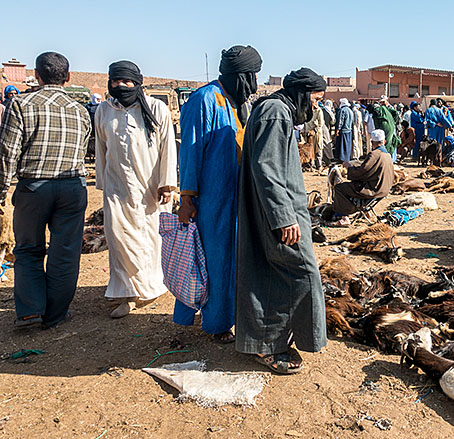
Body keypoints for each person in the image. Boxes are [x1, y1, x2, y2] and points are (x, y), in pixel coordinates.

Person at [236, 67, 327, 374]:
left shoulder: (278, 110)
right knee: (302, 273)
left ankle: (267, 342)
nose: (317, 106)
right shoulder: (275, 113)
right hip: (276, 214)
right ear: (303, 94)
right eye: (316, 98)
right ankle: (268, 347)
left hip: (280, 210)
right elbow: (268, 169)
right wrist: (284, 217)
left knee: (271, 275)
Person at [177, 45, 262, 343]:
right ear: (240, 75)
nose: (253, 84)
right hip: (211, 200)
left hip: (236, 198)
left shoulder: (239, 104)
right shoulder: (204, 100)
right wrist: (186, 198)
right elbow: (189, 151)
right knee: (213, 262)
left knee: (234, 259)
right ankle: (215, 323)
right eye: (251, 76)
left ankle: (231, 314)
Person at [0, 52, 90, 329]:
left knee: (28, 249)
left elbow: (7, 152)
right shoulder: (81, 111)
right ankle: (56, 314)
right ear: (68, 77)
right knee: (65, 251)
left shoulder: (20, 105)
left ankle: (30, 312)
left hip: (34, 188)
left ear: (37, 75)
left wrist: (1, 191)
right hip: (73, 188)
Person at [94, 61, 177, 318]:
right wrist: (104, 185)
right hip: (117, 189)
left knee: (151, 239)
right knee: (119, 242)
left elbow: (168, 148)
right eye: (116, 81)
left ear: (137, 83)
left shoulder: (156, 109)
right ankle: (126, 294)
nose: (121, 86)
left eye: (127, 82)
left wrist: (167, 184)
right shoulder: (104, 111)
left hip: (150, 190)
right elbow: (100, 150)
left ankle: (151, 286)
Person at [328, 129, 394, 227]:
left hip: (373, 190)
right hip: (384, 189)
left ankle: (344, 217)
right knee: (350, 186)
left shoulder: (375, 154)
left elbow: (363, 171)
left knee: (340, 188)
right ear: (384, 141)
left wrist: (349, 169)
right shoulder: (388, 155)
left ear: (372, 142)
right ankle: (366, 210)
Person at [334, 98, 353, 162]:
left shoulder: (342, 110)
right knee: (347, 146)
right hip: (349, 130)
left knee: (342, 146)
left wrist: (338, 129)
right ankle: (347, 158)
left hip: (343, 131)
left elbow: (340, 121)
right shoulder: (350, 110)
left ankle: (342, 159)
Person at [84, 93, 102, 162]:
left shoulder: (102, 107)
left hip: (99, 127)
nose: (99, 101)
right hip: (91, 127)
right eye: (97, 99)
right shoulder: (88, 107)